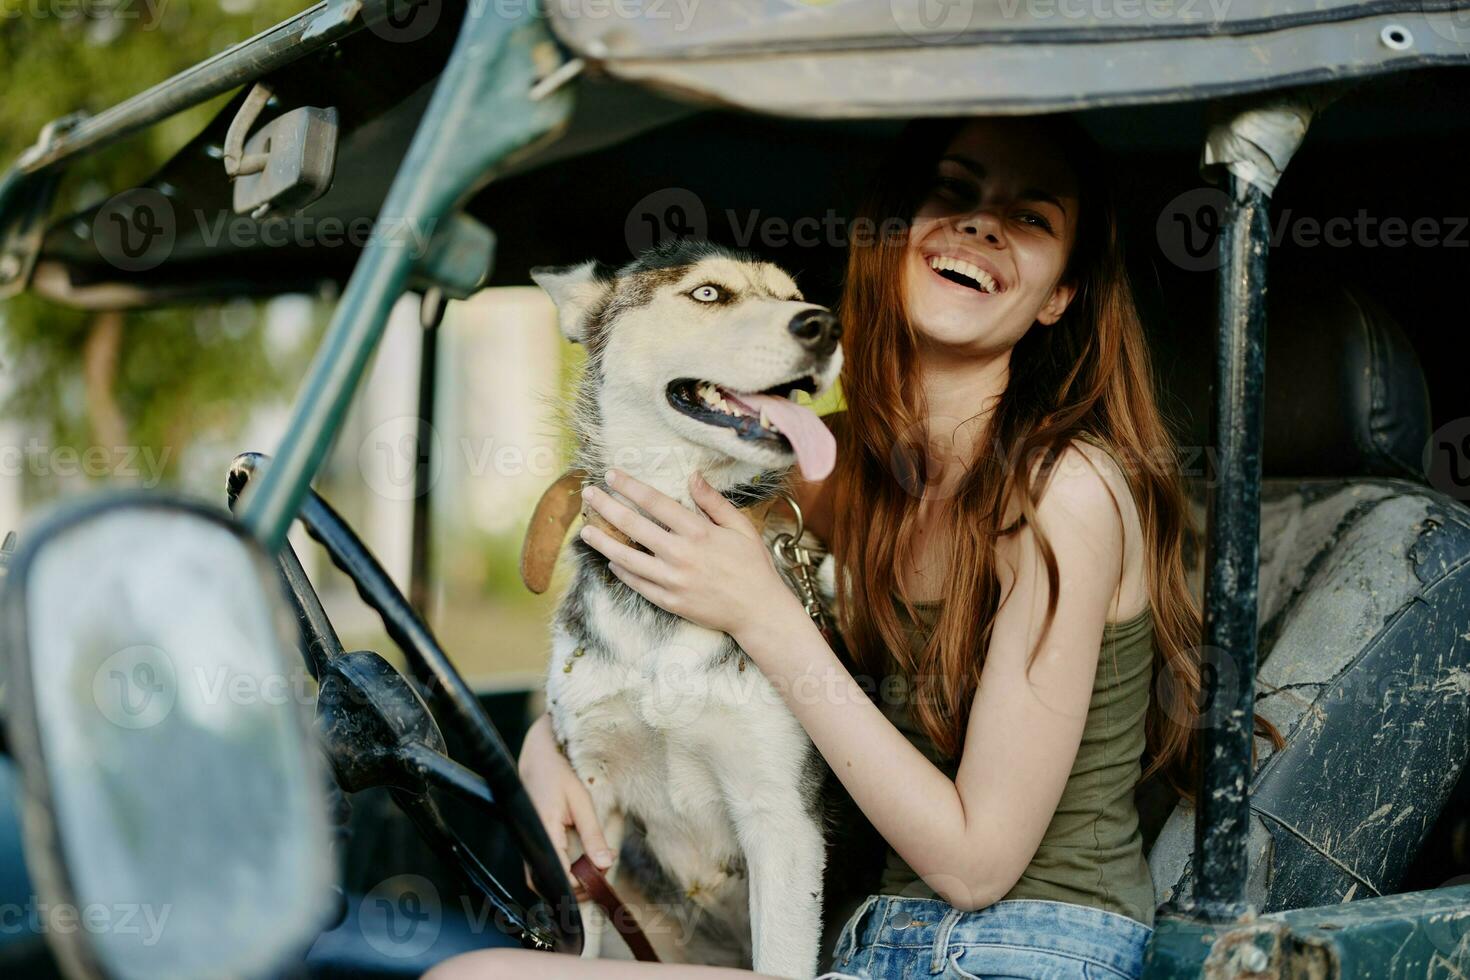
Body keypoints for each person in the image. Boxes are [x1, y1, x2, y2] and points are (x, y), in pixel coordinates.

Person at [427, 113, 1240, 979]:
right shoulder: (825, 464)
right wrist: (549, 745)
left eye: (1031, 218)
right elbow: (630, 599)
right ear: (892, 238)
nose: (982, 224)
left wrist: (764, 612)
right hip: (876, 945)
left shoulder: (1065, 490)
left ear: (1058, 296)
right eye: (954, 193)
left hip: (1029, 949)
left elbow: (977, 866)